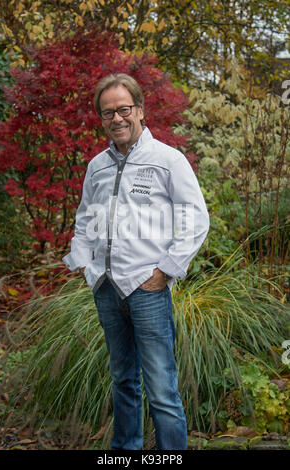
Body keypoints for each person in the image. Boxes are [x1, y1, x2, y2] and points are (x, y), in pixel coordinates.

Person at [63, 73, 209, 450]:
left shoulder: (167, 161)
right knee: (122, 380)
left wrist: (165, 272)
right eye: (108, 112)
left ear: (140, 110)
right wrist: (85, 264)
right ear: (102, 118)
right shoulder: (97, 166)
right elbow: (84, 217)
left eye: (124, 109)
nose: (117, 118)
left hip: (147, 289)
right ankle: (125, 450)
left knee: (161, 386)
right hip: (107, 289)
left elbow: (195, 218)